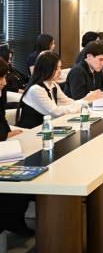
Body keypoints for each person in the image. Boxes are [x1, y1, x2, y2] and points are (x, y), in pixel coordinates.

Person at [17, 51, 103, 128]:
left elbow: (69, 102)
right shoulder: (36, 89)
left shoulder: (53, 85)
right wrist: (86, 100)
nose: (60, 71)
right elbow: (55, 112)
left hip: (49, 127)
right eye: (56, 68)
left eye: (60, 67)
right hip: (33, 131)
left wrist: (87, 100)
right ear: (45, 68)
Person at [0, 57, 34, 238]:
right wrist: (5, 135)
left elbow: (2, 120)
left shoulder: (1, 92)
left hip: (4, 149)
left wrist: (7, 133)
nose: (4, 83)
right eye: (0, 78)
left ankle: (14, 221)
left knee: (22, 175)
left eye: (3, 77)